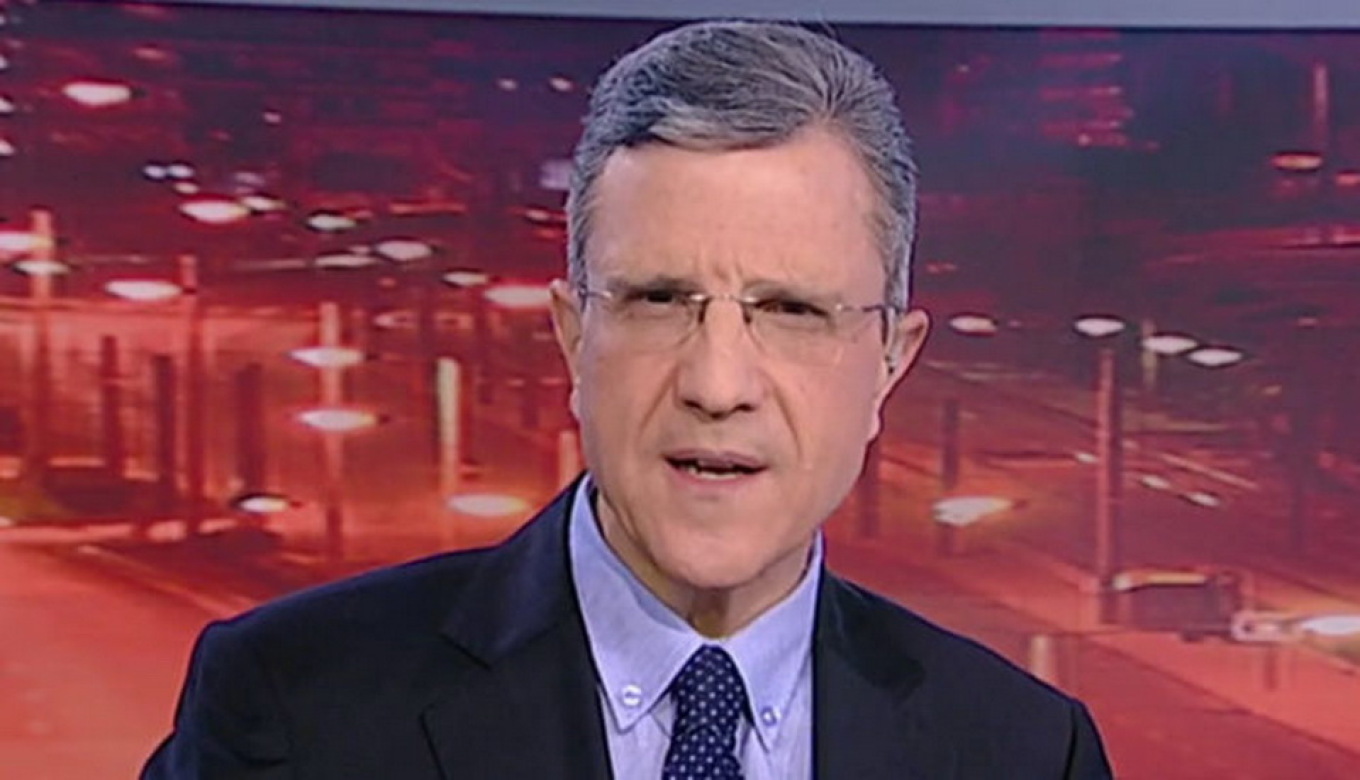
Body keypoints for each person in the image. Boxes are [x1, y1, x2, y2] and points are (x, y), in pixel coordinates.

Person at [143, 20, 1111, 779]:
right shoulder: (294, 709)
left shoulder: (1026, 753)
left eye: (792, 311)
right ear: (574, 339)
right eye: (657, 301)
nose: (717, 386)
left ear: (889, 363)